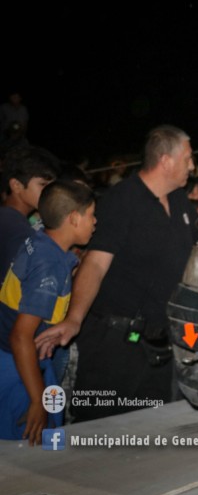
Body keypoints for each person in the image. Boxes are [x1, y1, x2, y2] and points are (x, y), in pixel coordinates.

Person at [34, 125, 196, 422]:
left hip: (161, 342)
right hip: (116, 343)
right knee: (100, 429)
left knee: (151, 428)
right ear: (165, 160)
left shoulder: (180, 201)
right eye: (188, 158)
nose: (193, 166)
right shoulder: (122, 201)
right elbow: (95, 265)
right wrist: (74, 319)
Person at [0, 180, 96, 445]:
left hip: (27, 361)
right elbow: (21, 336)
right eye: (91, 215)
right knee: (32, 451)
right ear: (74, 219)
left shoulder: (39, 238)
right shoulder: (49, 265)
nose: (95, 221)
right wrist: (37, 400)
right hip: (19, 370)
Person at [0, 145, 59, 273]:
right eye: (43, 184)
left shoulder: (11, 220)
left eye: (52, 185)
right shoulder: (15, 229)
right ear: (16, 185)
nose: (51, 192)